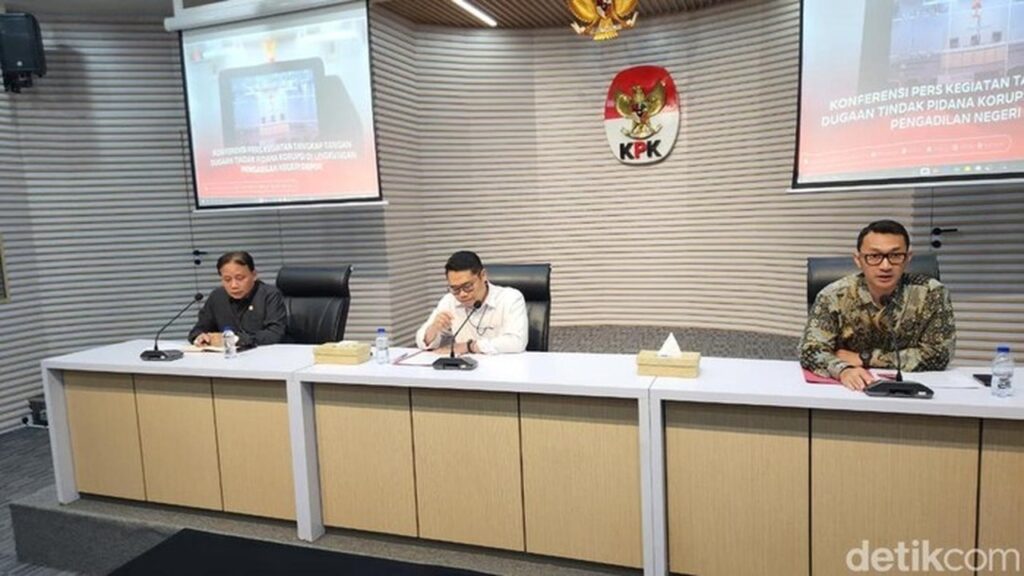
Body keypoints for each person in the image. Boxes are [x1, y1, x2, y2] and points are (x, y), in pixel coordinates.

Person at [799, 220, 956, 391]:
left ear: (907, 258)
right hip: (850, 390)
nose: (885, 266)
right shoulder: (833, 295)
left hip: (913, 389)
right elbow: (810, 350)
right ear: (858, 260)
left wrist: (865, 358)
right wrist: (843, 370)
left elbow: (939, 355)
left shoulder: (931, 293)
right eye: (874, 256)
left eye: (895, 256)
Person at [416, 251, 528, 355]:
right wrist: (433, 329)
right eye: (455, 289)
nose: (462, 294)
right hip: (466, 368)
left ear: (483, 275)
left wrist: (469, 346)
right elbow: (421, 341)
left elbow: (517, 342)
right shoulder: (449, 301)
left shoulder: (510, 298)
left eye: (468, 286)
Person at [188, 251, 287, 349]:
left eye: (240, 278)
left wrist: (237, 339)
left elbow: (274, 334)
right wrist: (199, 337)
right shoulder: (217, 296)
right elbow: (198, 329)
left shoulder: (269, 295)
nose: (234, 285)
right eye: (227, 279)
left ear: (254, 275)